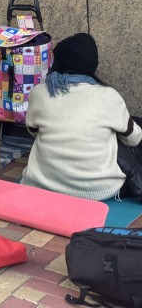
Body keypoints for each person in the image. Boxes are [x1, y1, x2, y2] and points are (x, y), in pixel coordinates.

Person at [21, 33, 142, 200]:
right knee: (128, 127)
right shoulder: (109, 96)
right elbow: (134, 139)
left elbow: (33, 131)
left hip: (41, 184)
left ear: (57, 63)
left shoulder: (39, 92)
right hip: (99, 190)